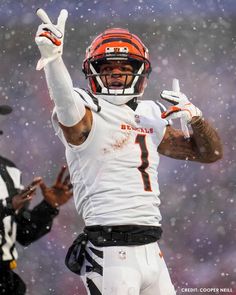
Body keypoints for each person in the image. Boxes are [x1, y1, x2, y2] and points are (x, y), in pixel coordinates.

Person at [35, 9, 223, 295]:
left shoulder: (150, 113)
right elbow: (65, 105)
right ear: (93, 72)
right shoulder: (86, 110)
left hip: (152, 250)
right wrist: (53, 60)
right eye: (108, 69)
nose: (117, 76)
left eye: (124, 69)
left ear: (140, 72)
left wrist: (196, 118)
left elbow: (211, 153)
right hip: (110, 250)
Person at [0, 104, 73, 294]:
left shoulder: (9, 171)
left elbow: (24, 233)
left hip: (5, 279)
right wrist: (7, 206)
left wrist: (48, 207)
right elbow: (8, 209)